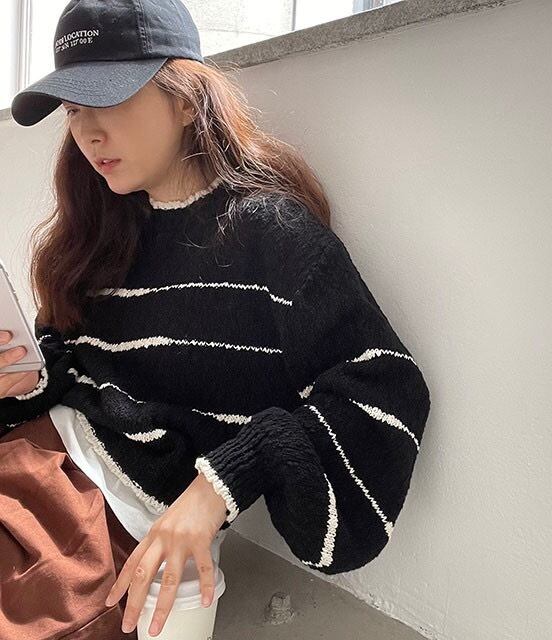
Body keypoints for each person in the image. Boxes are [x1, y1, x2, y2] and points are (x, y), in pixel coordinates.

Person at [0, 0, 432, 638]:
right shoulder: (101, 230)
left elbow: (384, 386)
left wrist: (222, 483)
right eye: (73, 110)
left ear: (185, 99)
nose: (88, 133)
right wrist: (25, 382)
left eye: (108, 100)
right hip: (37, 465)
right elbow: (76, 366)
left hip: (107, 526)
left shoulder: (271, 235)